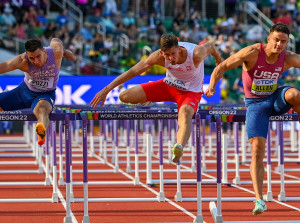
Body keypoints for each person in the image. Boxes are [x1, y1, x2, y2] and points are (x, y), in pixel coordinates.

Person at [205, 23, 300, 215]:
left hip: (275, 98)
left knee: (295, 94)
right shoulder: (251, 52)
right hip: (255, 105)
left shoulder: (287, 57)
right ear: (268, 39)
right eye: (276, 40)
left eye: (283, 41)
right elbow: (222, 65)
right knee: (257, 150)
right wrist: (211, 86)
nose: (279, 44)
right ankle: (259, 199)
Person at [90, 33, 223, 163]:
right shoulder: (158, 57)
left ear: (179, 48)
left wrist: (218, 60)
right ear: (161, 53)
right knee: (124, 96)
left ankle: (179, 147)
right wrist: (106, 90)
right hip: (168, 86)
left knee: (185, 114)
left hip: (190, 92)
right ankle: (149, 99)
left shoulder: (196, 53)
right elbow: (132, 72)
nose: (171, 58)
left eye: (173, 53)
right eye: (167, 55)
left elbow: (211, 46)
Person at [0, 38, 76, 145]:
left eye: (38, 56)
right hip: (23, 92)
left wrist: (64, 51)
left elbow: (55, 40)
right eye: (31, 58)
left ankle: (41, 131)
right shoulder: (22, 60)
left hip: (45, 95)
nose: (36, 61)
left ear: (44, 51)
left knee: (42, 110)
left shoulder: (56, 53)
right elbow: (5, 66)